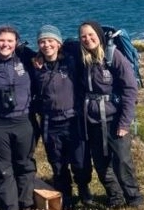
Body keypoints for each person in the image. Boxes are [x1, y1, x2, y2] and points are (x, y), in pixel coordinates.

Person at [75, 20, 144, 209]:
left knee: (122, 161)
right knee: (100, 162)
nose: (88, 39)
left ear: (98, 35)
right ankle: (115, 197)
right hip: (92, 120)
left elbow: (130, 89)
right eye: (83, 36)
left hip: (114, 120)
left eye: (91, 35)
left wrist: (124, 123)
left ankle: (134, 198)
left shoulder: (114, 56)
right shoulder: (81, 57)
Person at [30, 25, 93, 209]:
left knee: (80, 161)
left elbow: (76, 43)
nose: (46, 44)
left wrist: (64, 45)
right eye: (42, 41)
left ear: (58, 43)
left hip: (73, 119)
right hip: (50, 123)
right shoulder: (35, 65)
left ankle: (83, 187)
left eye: (50, 40)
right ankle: (66, 195)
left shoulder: (71, 60)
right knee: (57, 164)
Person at [0, 25, 37, 210]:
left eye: (10, 41)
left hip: (24, 121)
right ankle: (10, 206)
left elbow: (50, 55)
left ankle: (26, 204)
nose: (5, 44)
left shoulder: (26, 57)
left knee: (25, 165)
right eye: (1, 40)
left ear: (17, 43)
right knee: (3, 169)